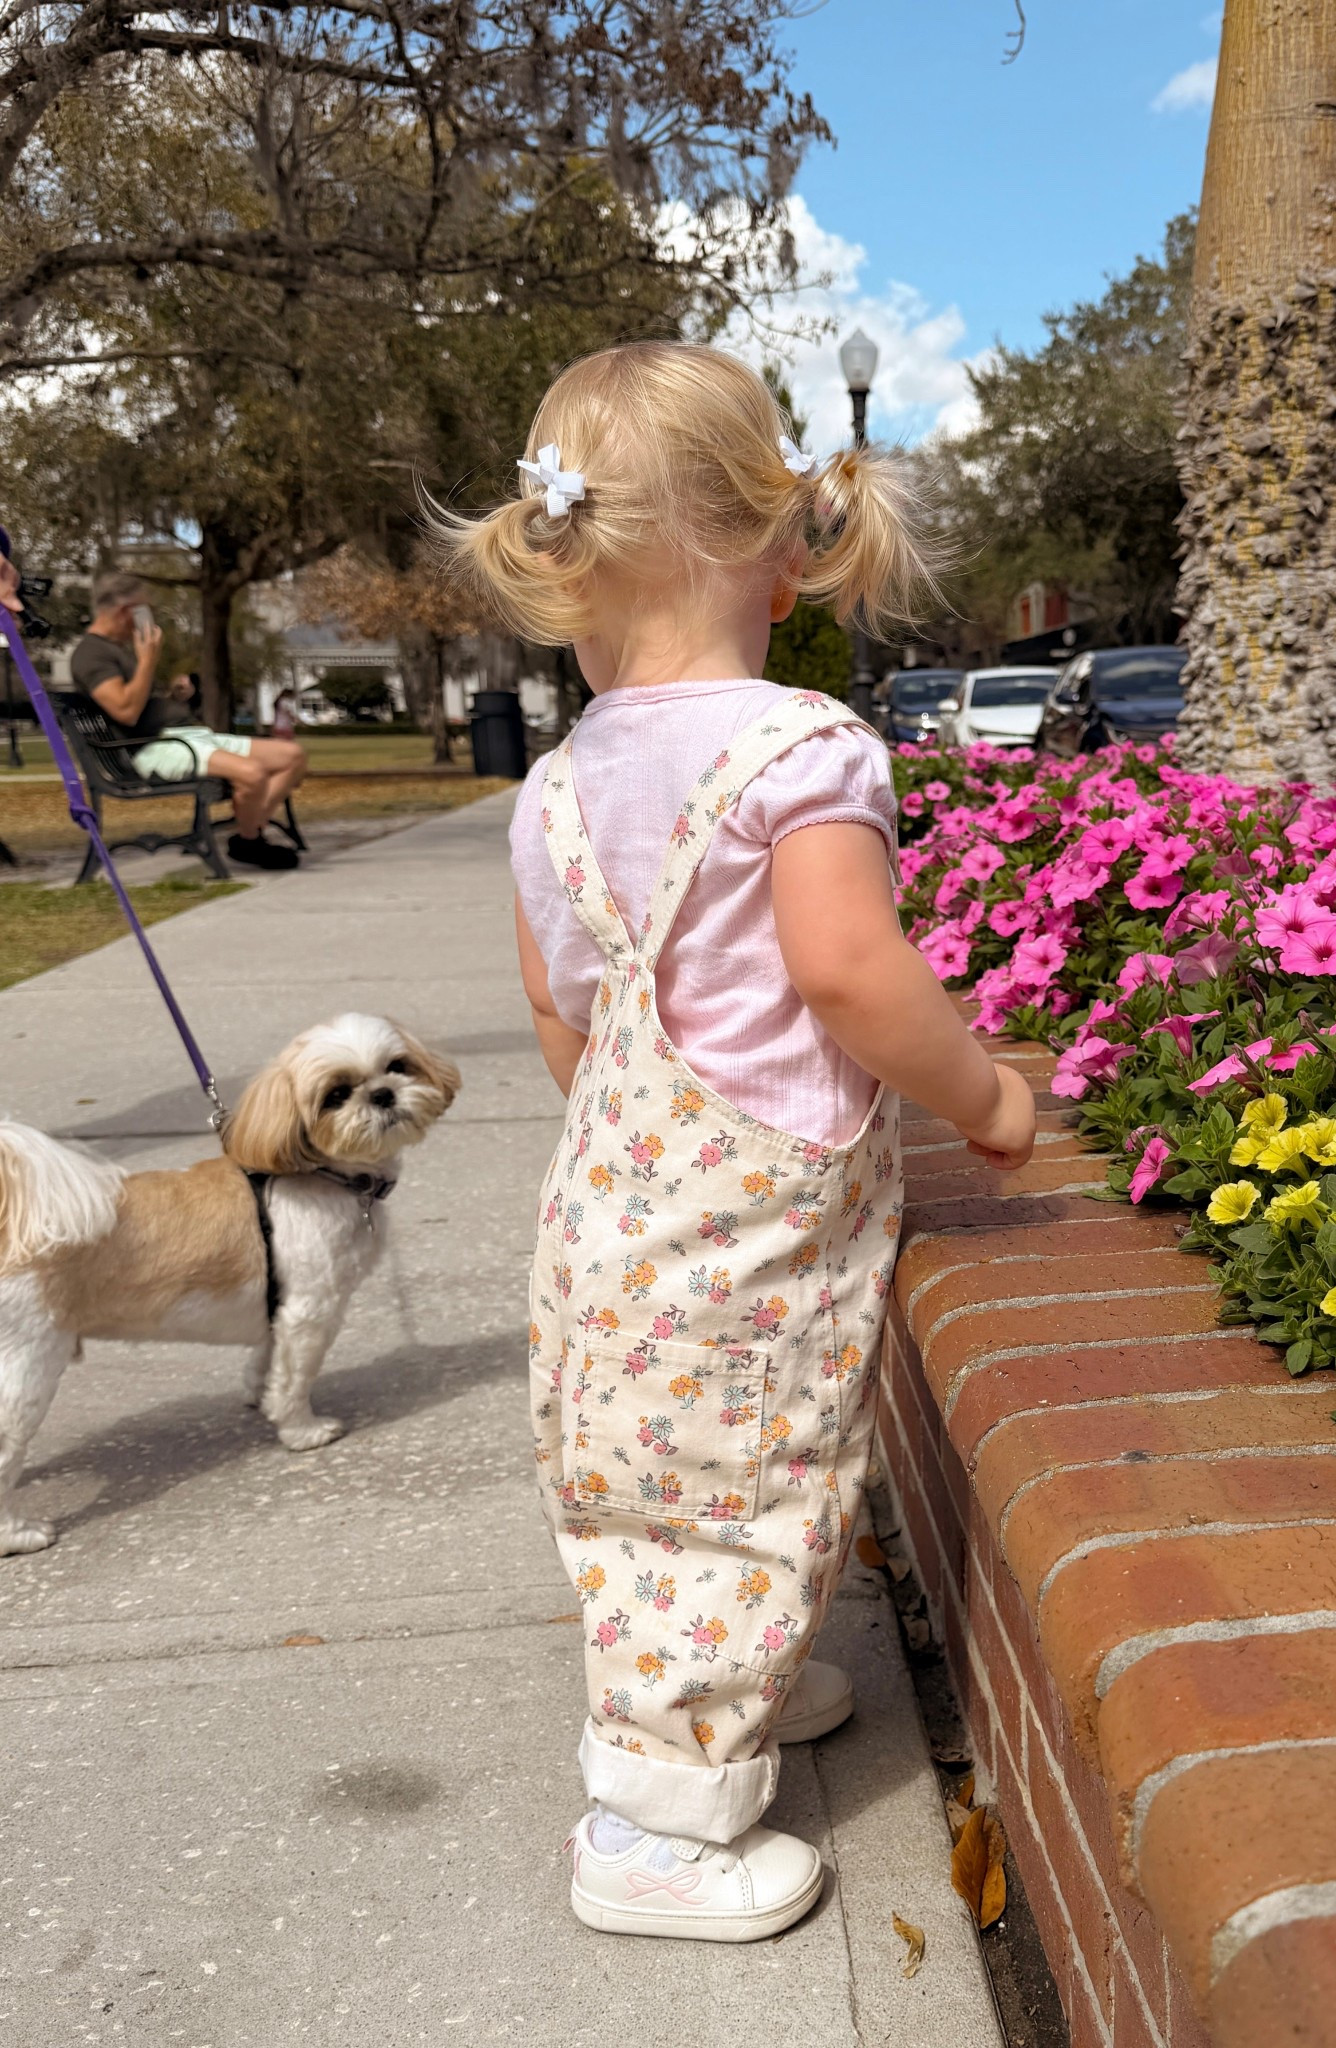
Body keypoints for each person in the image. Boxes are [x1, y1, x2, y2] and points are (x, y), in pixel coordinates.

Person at [444, 342, 1036, 1942]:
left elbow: (564, 1010)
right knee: (751, 1482)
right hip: (752, 1229)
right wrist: (984, 1095)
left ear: (566, 574)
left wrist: (637, 1149)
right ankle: (655, 1828)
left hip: (612, 1214)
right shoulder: (803, 749)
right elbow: (849, 971)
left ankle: (724, 1701)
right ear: (783, 558)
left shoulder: (554, 786)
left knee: (644, 1485)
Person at [69, 570, 308, 870]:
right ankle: (251, 839)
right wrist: (147, 661)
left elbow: (137, 702)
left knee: (292, 756)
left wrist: (172, 698)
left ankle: (248, 835)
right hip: (154, 747)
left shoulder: (115, 650)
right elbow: (125, 711)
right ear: (125, 612)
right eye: (144, 610)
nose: (148, 619)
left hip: (185, 736)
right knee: (253, 774)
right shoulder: (90, 654)